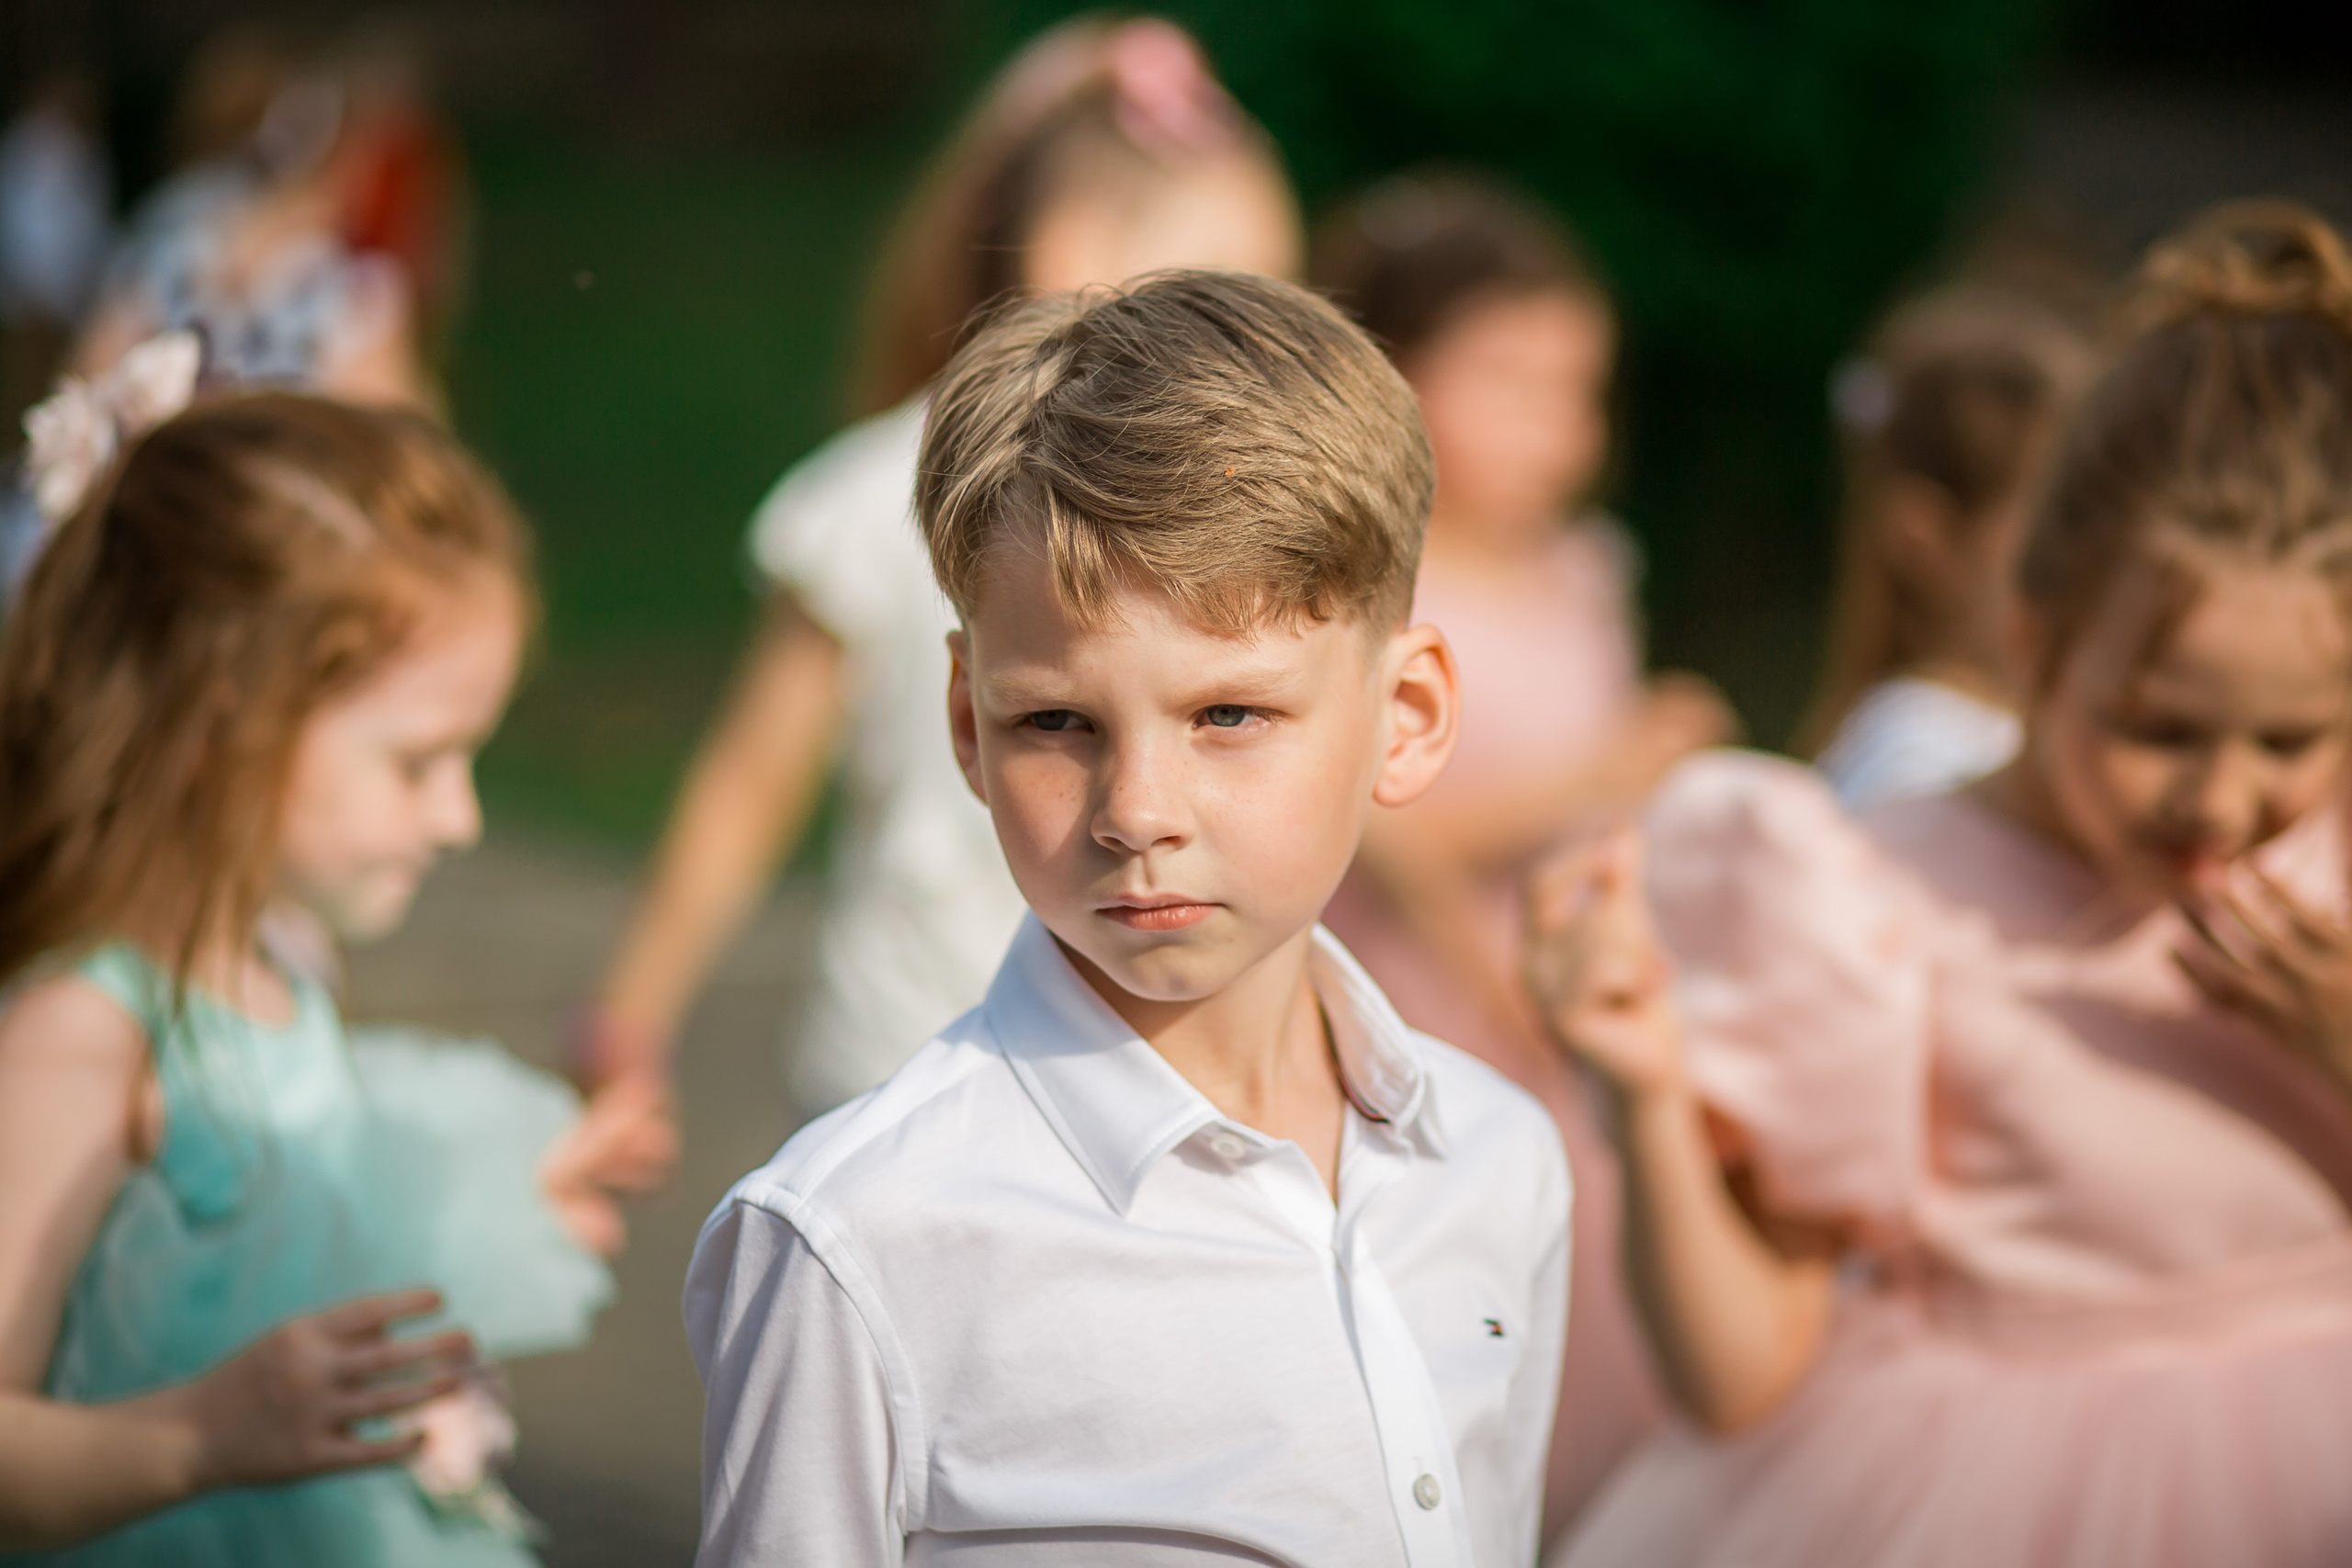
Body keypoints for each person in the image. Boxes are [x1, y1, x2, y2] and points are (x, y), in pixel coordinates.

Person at [686, 271, 1569, 1566]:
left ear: (1410, 715)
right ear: (967, 722)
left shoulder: (1496, 1160)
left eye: (1228, 714)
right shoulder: (861, 1238)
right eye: (1058, 721)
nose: (1136, 810)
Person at [1527, 202, 2352, 1568]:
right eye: (2159, 727)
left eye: (2289, 739)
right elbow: (1743, 1378)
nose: (2221, 799)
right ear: (2035, 638)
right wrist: (1650, 1097)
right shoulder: (1875, 896)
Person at [579, 14, 1302, 1120]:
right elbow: (752, 781)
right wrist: (633, 1011)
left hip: (1170, 1068)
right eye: (1218, 295)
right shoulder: (878, 499)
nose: (1252, 353)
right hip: (915, 1058)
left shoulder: (1261, 514)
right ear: (1073, 257)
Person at [0, 380, 668, 1562]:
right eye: (418, 762)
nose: (460, 816)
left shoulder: (279, 964)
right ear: (223, 726)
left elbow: (284, 1237)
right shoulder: (82, 1038)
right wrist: (198, 1437)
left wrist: (512, 1193)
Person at [1312, 168, 1734, 1531]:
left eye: (1578, 389)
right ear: (1391, 378)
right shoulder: (1372, 584)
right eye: (1508, 382)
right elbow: (1374, 815)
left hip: (1568, 1001)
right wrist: (1592, 778)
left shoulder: (1584, 565)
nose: (1557, 427)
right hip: (1432, 998)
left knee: (1584, 1330)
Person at [1802, 286, 2092, 812]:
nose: (2093, 556)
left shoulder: (1980, 734)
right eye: (2060, 524)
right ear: (1924, 537)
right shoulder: (1919, 762)